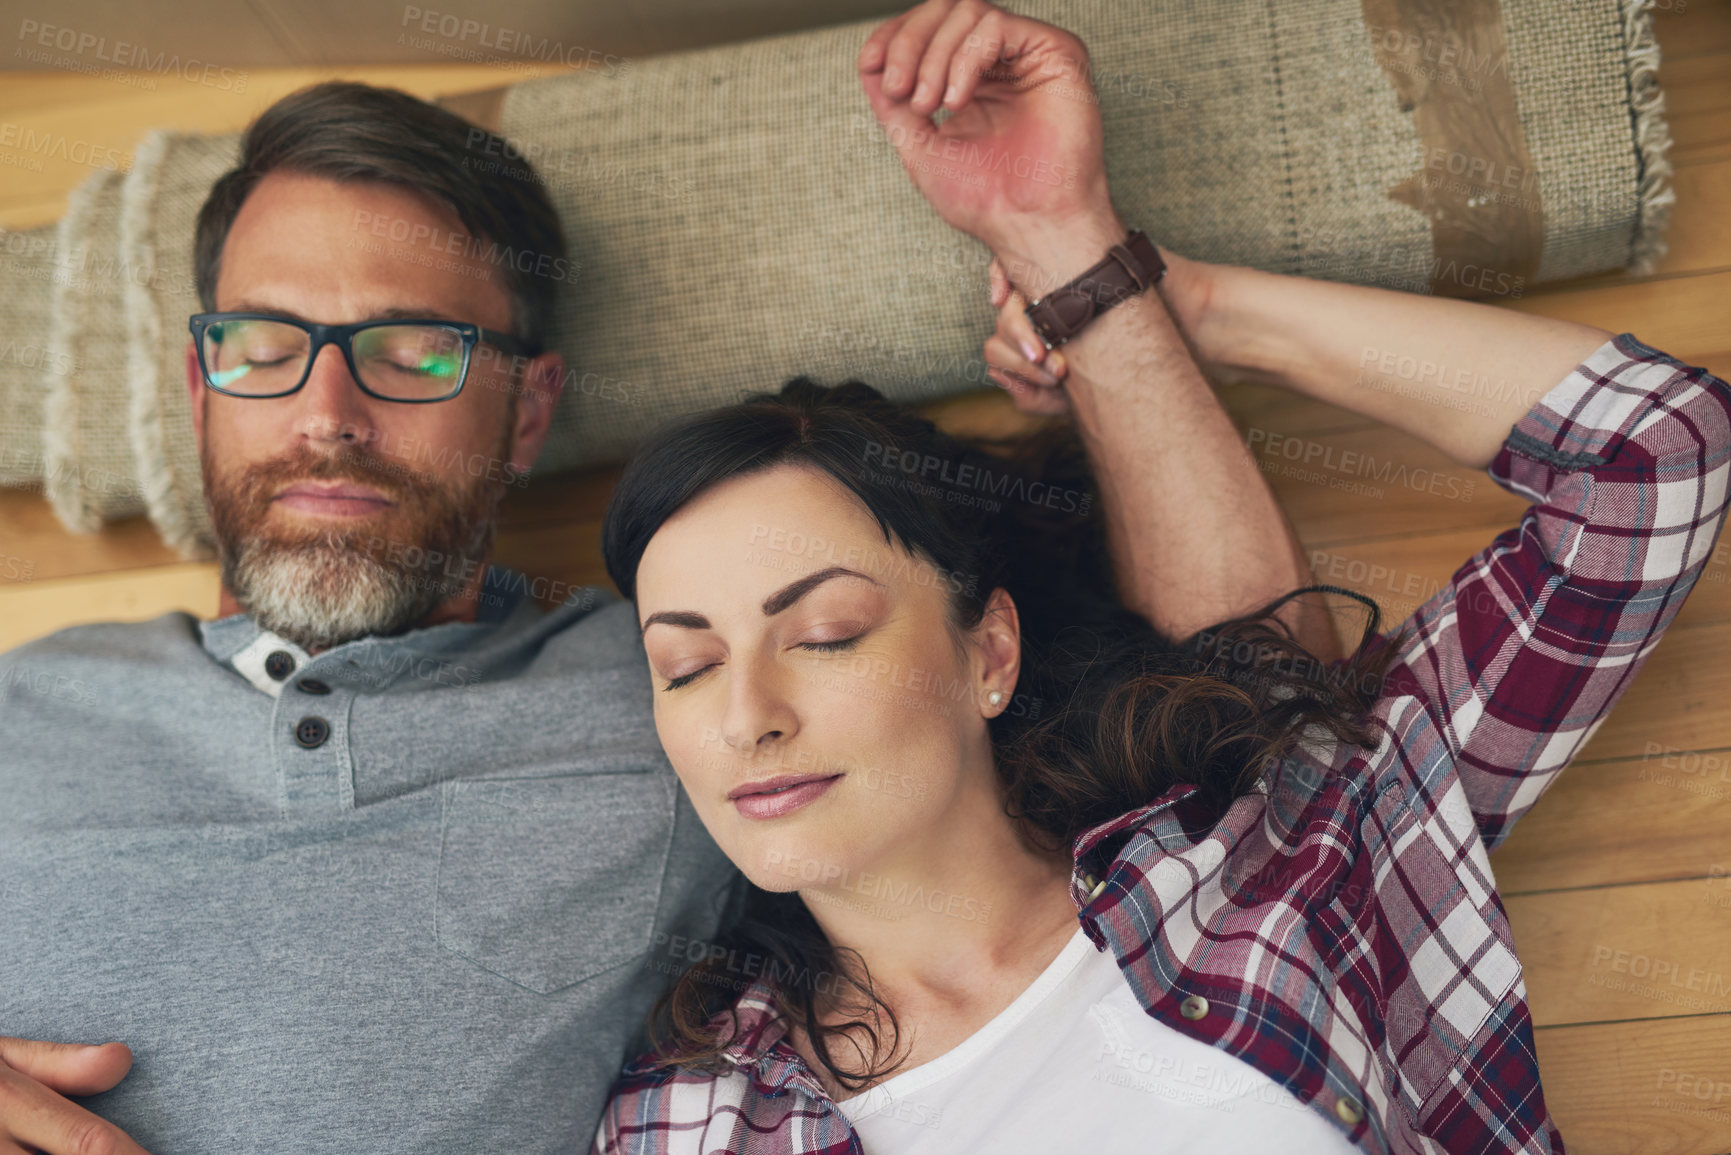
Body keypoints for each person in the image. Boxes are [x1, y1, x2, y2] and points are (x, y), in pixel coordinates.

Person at [0, 4, 1327, 1151]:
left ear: (530, 411)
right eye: (264, 343)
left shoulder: (680, 693)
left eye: (412, 351)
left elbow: (1255, 685)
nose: (327, 409)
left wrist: (1060, 243)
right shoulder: (26, 708)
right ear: (199, 387)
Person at [586, 2, 1731, 1153]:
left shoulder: (1292, 851)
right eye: (684, 667)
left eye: (826, 632)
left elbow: (1649, 456)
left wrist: (1172, 300)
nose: (746, 718)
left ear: (989, 652)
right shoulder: (687, 1115)